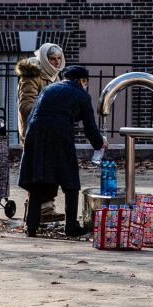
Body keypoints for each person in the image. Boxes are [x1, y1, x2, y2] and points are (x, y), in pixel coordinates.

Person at [18, 64, 104, 238]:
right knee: (70, 180)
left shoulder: (49, 88)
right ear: (82, 80)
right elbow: (90, 127)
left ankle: (31, 226)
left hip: (35, 133)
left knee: (38, 179)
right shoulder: (82, 94)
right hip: (59, 134)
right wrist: (100, 143)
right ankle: (71, 226)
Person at [16, 43, 65, 144]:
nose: (57, 62)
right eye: (52, 59)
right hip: (34, 132)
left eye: (59, 58)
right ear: (45, 60)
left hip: (51, 131)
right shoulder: (31, 76)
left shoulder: (55, 75)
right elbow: (25, 107)